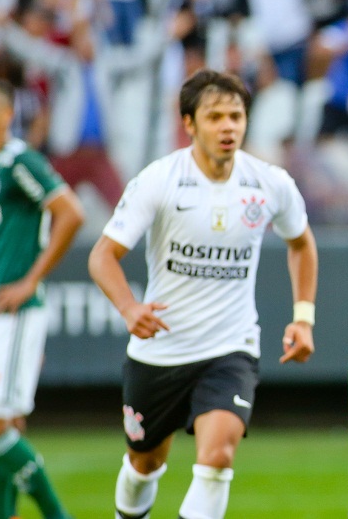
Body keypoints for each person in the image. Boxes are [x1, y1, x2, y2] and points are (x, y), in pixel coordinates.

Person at [88, 68, 318, 519]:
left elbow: (302, 244)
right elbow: (102, 255)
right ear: (189, 124)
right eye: (215, 117)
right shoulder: (159, 180)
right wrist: (129, 307)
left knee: (217, 459)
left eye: (235, 115)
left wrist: (304, 316)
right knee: (144, 462)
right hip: (160, 351)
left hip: (229, 347)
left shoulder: (269, 183)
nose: (228, 126)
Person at [0, 75, 83, 519]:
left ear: (7, 115)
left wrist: (30, 280)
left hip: (11, 312)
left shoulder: (18, 159)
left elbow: (70, 214)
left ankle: (56, 514)